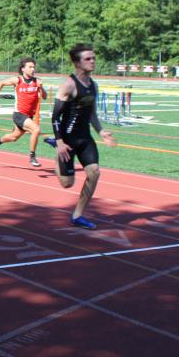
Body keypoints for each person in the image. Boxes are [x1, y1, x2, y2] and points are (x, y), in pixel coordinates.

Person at [44, 43, 116, 230]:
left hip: (85, 138)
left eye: (93, 58)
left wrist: (101, 131)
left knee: (94, 172)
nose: (93, 61)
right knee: (67, 184)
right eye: (88, 59)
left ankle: (77, 215)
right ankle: (55, 148)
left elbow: (91, 113)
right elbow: (55, 117)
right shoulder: (68, 85)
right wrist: (60, 142)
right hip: (67, 140)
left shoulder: (93, 85)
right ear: (77, 63)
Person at [0, 57, 48, 167]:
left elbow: (44, 97)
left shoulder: (37, 82)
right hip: (19, 114)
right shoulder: (18, 80)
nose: (33, 69)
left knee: (14, 137)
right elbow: (1, 83)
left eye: (34, 67)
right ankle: (32, 156)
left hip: (28, 116)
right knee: (36, 129)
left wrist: (42, 88)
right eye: (30, 67)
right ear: (23, 69)